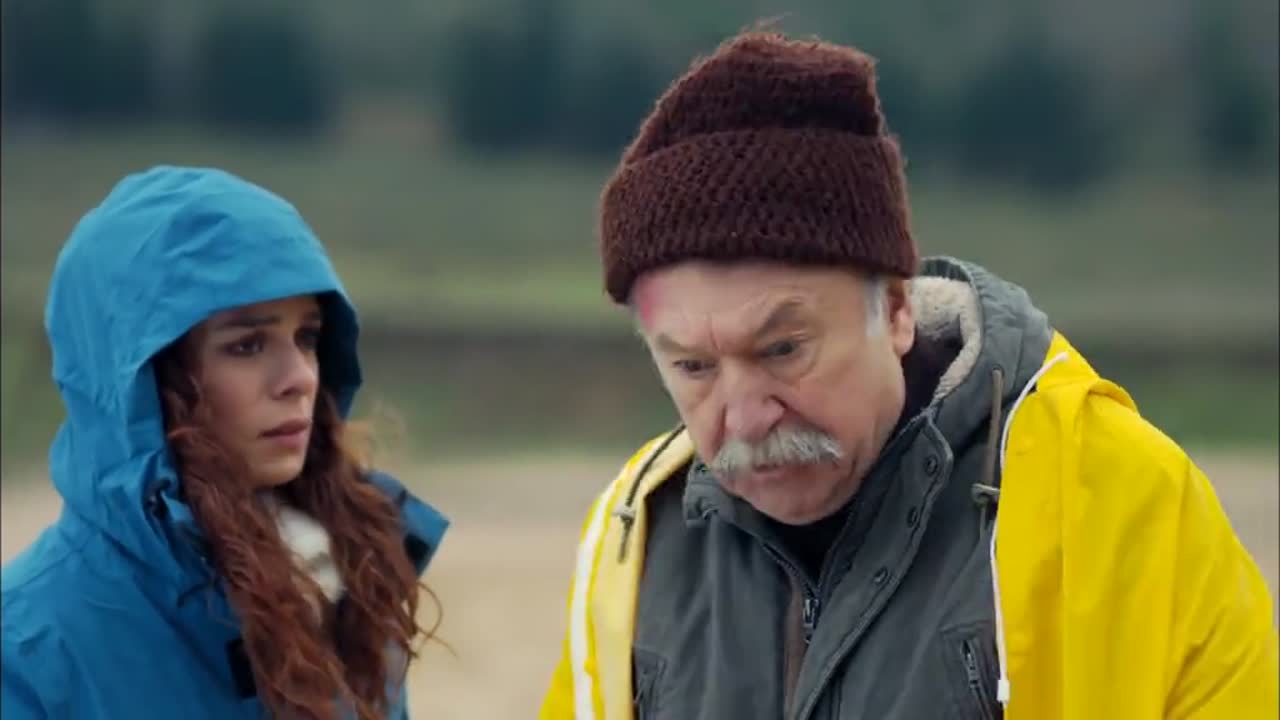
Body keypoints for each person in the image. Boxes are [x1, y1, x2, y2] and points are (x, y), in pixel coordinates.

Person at [539, 30, 1277, 720]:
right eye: (693, 367)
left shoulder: (1112, 501)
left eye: (782, 350)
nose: (744, 416)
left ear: (895, 309)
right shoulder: (632, 538)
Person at [0, 165, 448, 719]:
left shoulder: (348, 584)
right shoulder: (25, 651)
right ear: (146, 381)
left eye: (307, 337)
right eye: (247, 346)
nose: (300, 378)